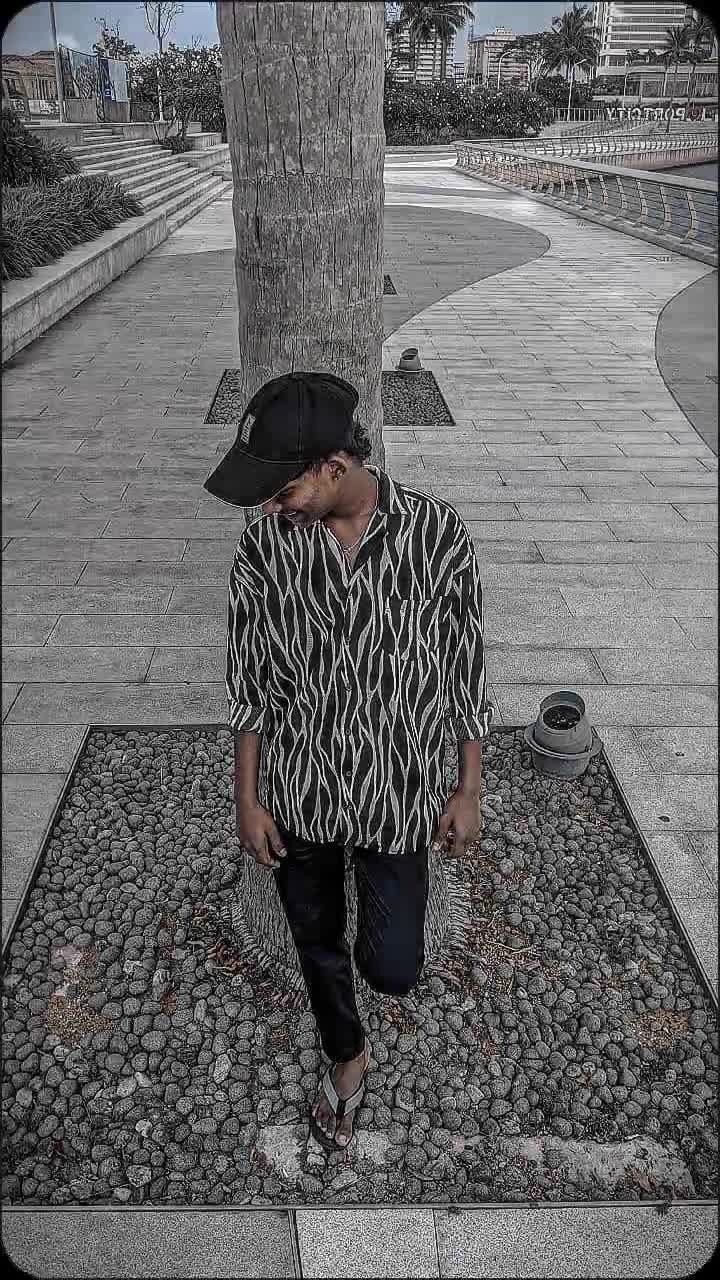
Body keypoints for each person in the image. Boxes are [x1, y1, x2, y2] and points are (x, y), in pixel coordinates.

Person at [203, 371, 492, 1151]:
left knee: (392, 968)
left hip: (399, 796)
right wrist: (248, 801)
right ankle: (346, 1056)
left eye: (283, 488)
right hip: (301, 793)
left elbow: (464, 671)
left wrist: (467, 787)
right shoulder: (265, 548)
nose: (272, 506)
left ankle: (377, 965)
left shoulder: (438, 534)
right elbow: (248, 685)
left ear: (334, 466)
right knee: (316, 940)